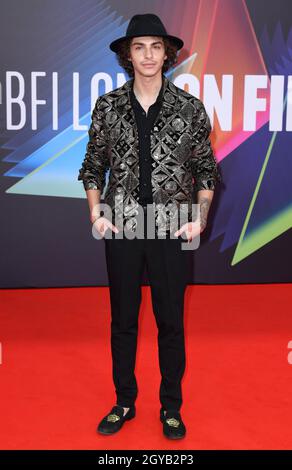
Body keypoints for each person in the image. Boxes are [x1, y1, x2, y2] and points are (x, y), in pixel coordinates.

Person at [77, 13, 221, 440]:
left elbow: (206, 170)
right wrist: (95, 211)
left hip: (172, 227)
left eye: (156, 46)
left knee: (170, 321)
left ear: (167, 53)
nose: (148, 55)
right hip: (122, 226)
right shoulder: (108, 106)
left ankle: (170, 407)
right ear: (127, 54)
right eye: (139, 47)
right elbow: (92, 166)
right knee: (123, 320)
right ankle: (124, 402)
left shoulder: (190, 109)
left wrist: (199, 219)